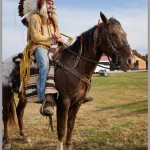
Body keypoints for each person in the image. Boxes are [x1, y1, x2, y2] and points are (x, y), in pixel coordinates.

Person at [20, 0, 64, 116]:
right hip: (39, 46)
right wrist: (52, 38)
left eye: (52, 3)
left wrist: (59, 38)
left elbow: (57, 34)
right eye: (49, 3)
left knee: (68, 58)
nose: (52, 6)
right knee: (45, 64)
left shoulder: (52, 20)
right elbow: (35, 37)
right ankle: (42, 96)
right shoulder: (35, 18)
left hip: (53, 46)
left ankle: (71, 92)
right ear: (42, 5)